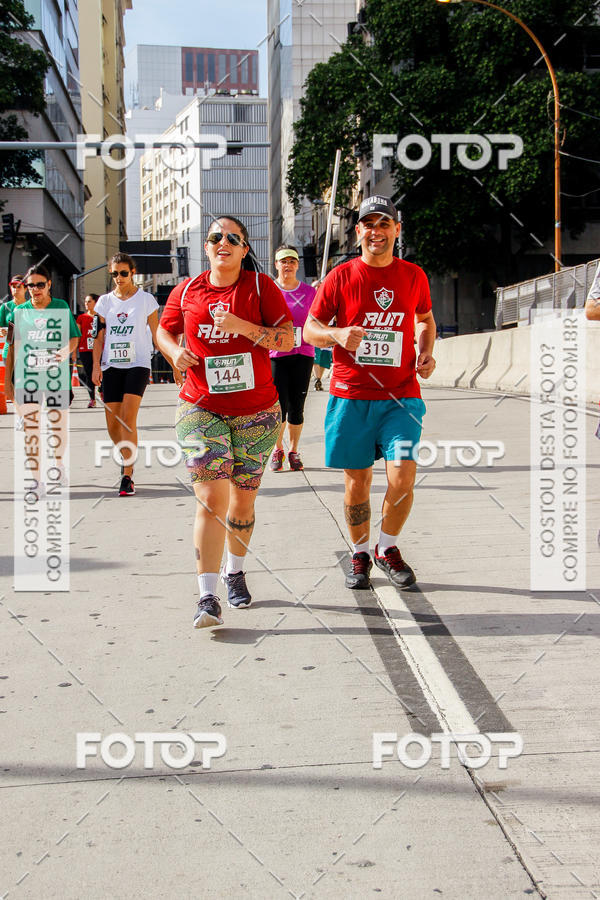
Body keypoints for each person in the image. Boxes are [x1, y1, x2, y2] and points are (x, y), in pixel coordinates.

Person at [156, 216, 293, 629]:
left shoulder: (261, 287)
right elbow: (164, 331)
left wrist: (241, 327)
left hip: (258, 412)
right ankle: (207, 597)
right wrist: (173, 353)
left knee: (242, 501)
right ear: (207, 246)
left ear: (244, 249)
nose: (224, 243)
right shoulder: (187, 290)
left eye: (233, 238)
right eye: (216, 236)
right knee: (211, 499)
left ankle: (235, 571)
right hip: (201, 407)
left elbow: (287, 338)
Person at [303, 195, 436, 591]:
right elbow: (309, 330)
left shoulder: (413, 275)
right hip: (351, 396)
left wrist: (426, 351)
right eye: (369, 224)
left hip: (401, 397)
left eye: (384, 224)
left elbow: (425, 319)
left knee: (403, 476)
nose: (376, 231)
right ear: (358, 231)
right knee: (357, 482)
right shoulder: (340, 277)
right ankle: (360, 552)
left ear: (396, 229)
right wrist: (337, 334)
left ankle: (387, 547)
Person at [92, 252, 174, 497]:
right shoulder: (104, 302)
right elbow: (98, 338)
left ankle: (127, 475)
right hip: (111, 366)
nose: (119, 277)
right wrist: (96, 366)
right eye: (114, 274)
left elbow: (157, 334)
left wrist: (173, 364)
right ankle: (128, 456)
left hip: (138, 364)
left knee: (127, 419)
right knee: (112, 425)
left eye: (123, 273)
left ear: (133, 273)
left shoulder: (146, 300)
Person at [5, 264, 80, 487]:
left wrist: (65, 351)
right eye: (31, 286)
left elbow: (74, 337)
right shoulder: (17, 312)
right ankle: (36, 479)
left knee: (58, 426)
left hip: (56, 378)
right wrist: (8, 382)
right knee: (31, 429)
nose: (35, 289)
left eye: (40, 285)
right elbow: (11, 347)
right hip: (28, 378)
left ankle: (58, 465)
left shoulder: (61, 306)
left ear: (49, 285)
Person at [269, 245, 316, 471]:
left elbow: (318, 319)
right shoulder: (269, 290)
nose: (287, 265)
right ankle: (278, 449)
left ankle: (294, 451)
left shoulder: (309, 292)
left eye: (292, 261)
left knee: (297, 406)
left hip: (303, 353)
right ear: (276, 265)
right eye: (283, 261)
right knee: (279, 407)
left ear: (297, 265)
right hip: (276, 355)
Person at [0, 274, 27, 428]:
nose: (16, 289)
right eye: (13, 287)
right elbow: (1, 329)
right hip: (9, 352)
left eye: (19, 286)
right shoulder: (5, 308)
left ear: (25, 289)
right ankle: (21, 415)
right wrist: (2, 332)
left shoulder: (31, 306)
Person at [76, 294, 99, 407]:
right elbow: (77, 335)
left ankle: (102, 391)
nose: (86, 304)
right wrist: (74, 352)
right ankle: (92, 399)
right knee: (89, 374)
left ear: (96, 302)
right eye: (85, 301)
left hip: (99, 349)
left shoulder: (101, 317)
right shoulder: (81, 317)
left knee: (102, 372)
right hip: (85, 349)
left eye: (89, 301)